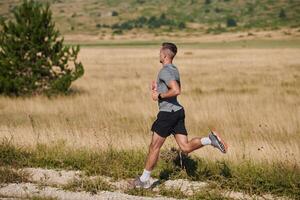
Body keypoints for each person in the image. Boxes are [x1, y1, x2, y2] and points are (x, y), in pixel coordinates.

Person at [133, 42, 228, 189]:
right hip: (177, 111)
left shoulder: (164, 71)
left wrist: (159, 95)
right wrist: (158, 90)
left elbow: (176, 90)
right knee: (185, 148)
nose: (159, 55)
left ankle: (144, 180)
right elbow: (173, 88)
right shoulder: (174, 69)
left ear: (164, 55)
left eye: (160, 53)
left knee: (154, 147)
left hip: (168, 114)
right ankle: (209, 140)